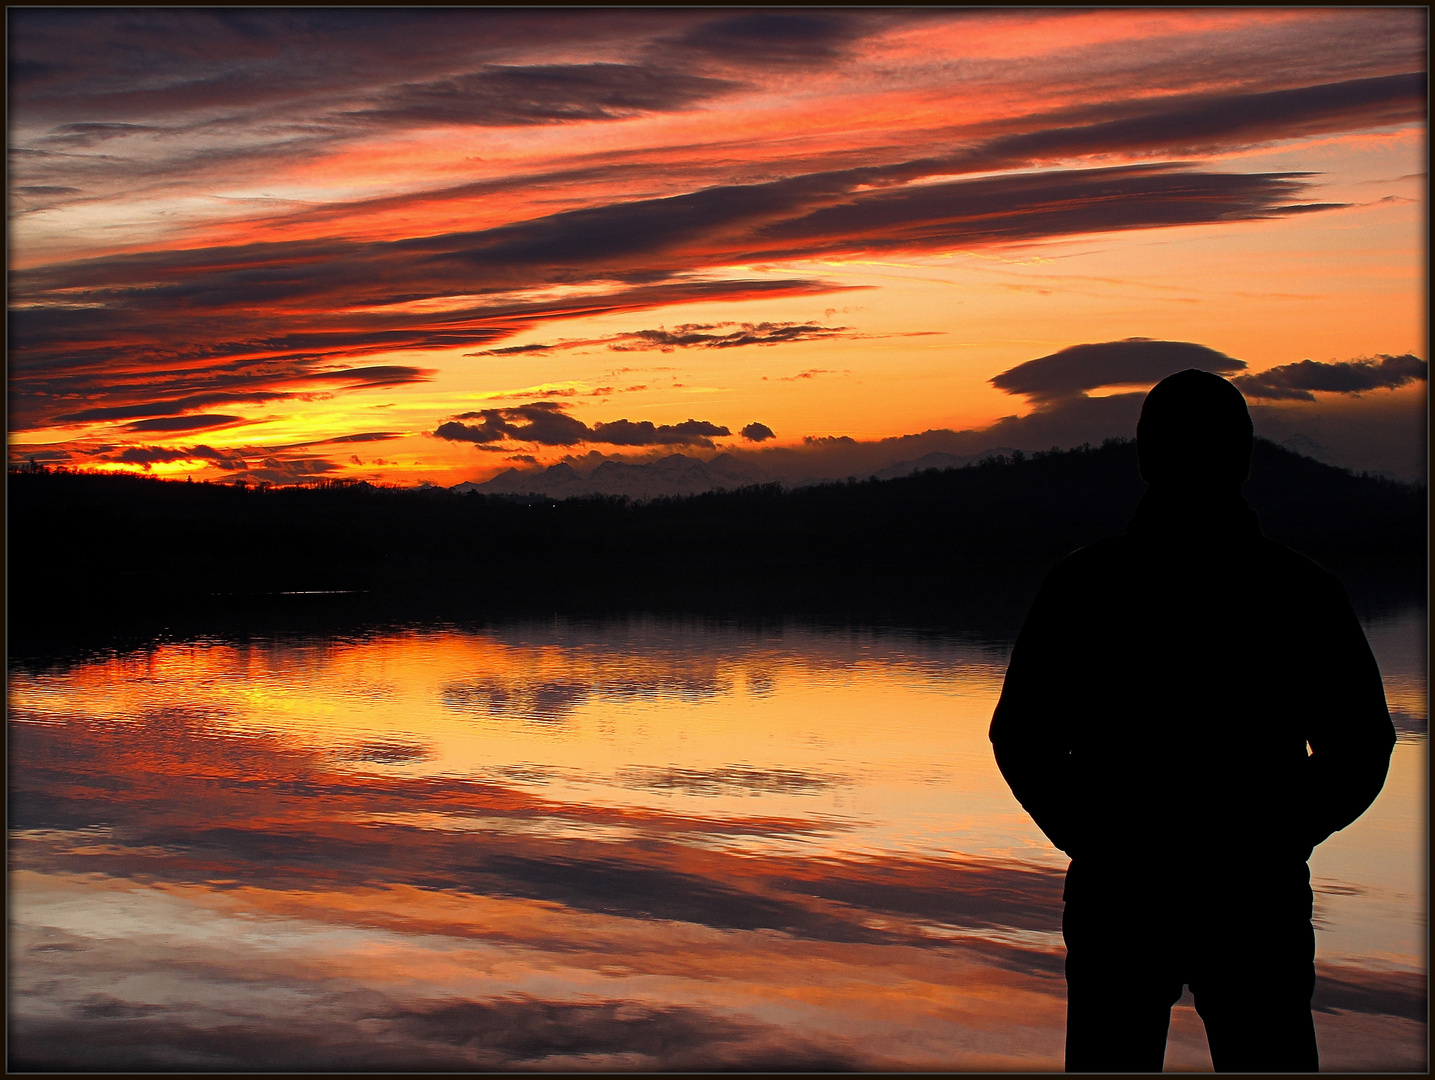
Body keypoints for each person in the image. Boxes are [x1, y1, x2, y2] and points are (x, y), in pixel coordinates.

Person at [988, 369, 1396, 1072]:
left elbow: (1021, 739)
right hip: (1241, 898)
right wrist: (1280, 834)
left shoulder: (1084, 586)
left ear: (1143, 458)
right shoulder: (1299, 591)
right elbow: (1360, 747)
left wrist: (1093, 837)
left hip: (1138, 896)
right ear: (1242, 459)